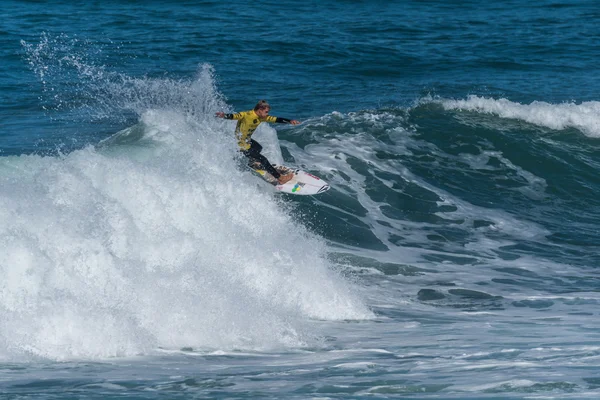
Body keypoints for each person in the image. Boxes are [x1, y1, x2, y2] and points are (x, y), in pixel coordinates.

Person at [216, 100, 300, 184]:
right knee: (263, 159)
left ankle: (253, 161)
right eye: (266, 112)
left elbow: (276, 119)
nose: (267, 114)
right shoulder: (246, 115)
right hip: (241, 146)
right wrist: (224, 115)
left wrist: (290, 121)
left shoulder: (261, 117)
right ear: (259, 109)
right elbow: (234, 116)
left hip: (246, 141)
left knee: (258, 147)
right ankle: (280, 178)